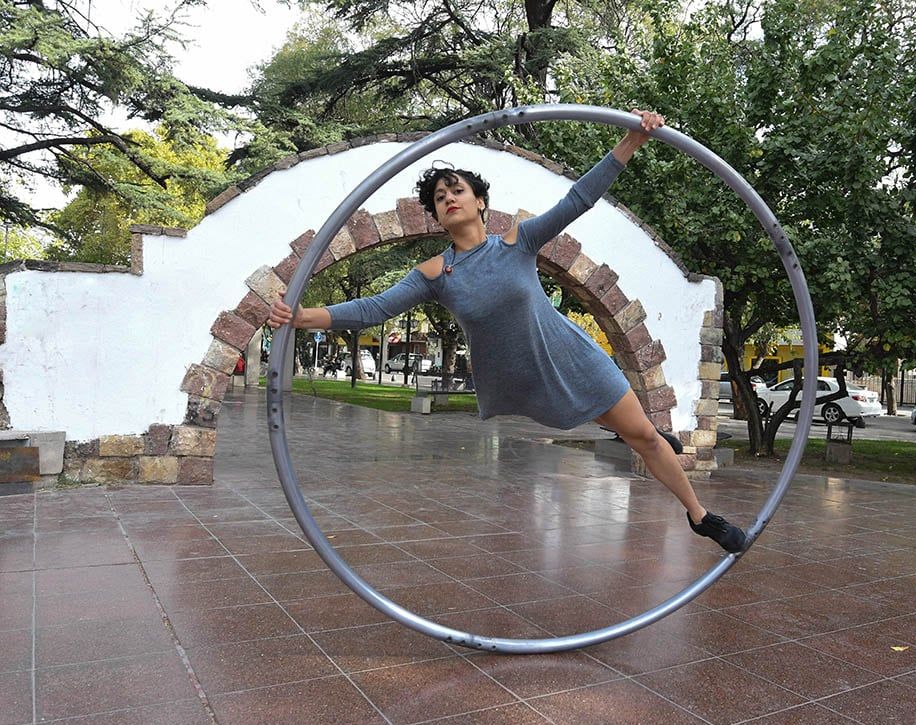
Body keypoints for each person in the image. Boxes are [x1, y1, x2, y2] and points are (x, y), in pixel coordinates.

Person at [267, 109, 746, 553]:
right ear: (435, 216)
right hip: (524, 379)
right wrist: (301, 316)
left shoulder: (518, 241)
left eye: (457, 190)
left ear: (479, 201)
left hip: (571, 356)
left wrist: (631, 141)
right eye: (439, 197)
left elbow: (578, 199)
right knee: (621, 425)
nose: (449, 198)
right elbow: (374, 308)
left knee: (643, 437)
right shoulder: (437, 273)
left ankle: (700, 515)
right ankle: (651, 434)